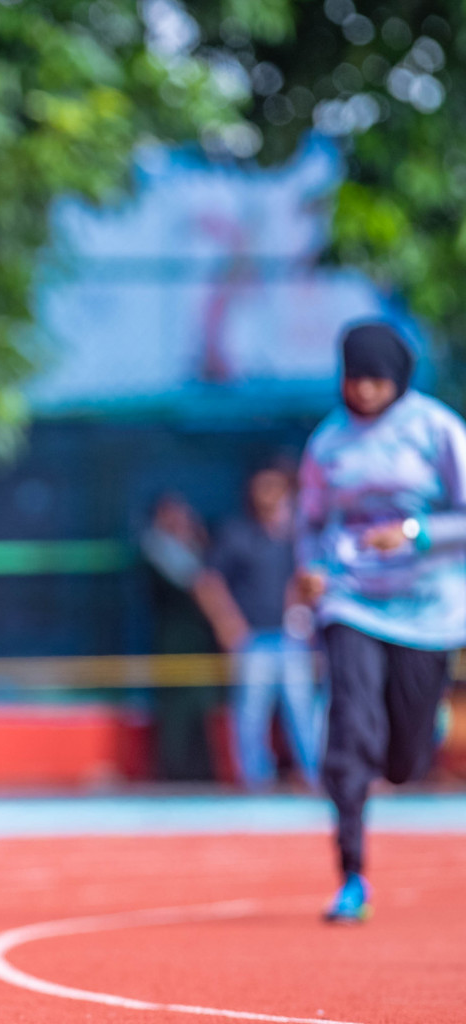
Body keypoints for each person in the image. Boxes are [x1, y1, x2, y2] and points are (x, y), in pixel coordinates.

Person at [294, 321, 466, 924]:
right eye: (354, 379)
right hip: (352, 602)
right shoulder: (328, 444)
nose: (364, 391)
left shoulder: (436, 430)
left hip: (427, 609)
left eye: (376, 380)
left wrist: (415, 534)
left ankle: (425, 727)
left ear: (397, 379)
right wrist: (312, 571)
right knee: (349, 734)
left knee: (402, 762)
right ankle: (352, 874)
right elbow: (310, 522)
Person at [197, 465, 321, 790]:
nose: (268, 495)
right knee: (250, 715)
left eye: (275, 488)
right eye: (262, 488)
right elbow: (207, 581)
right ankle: (255, 780)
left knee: (303, 711)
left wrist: (302, 614)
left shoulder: (298, 536)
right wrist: (227, 623)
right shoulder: (237, 534)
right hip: (252, 639)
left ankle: (315, 776)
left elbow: (308, 580)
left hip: (291, 638)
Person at [139, 493, 221, 782]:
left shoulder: (193, 547)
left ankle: (199, 771)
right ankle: (174, 773)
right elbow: (195, 580)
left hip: (197, 644)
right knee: (175, 713)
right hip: (173, 644)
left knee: (199, 709)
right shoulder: (156, 546)